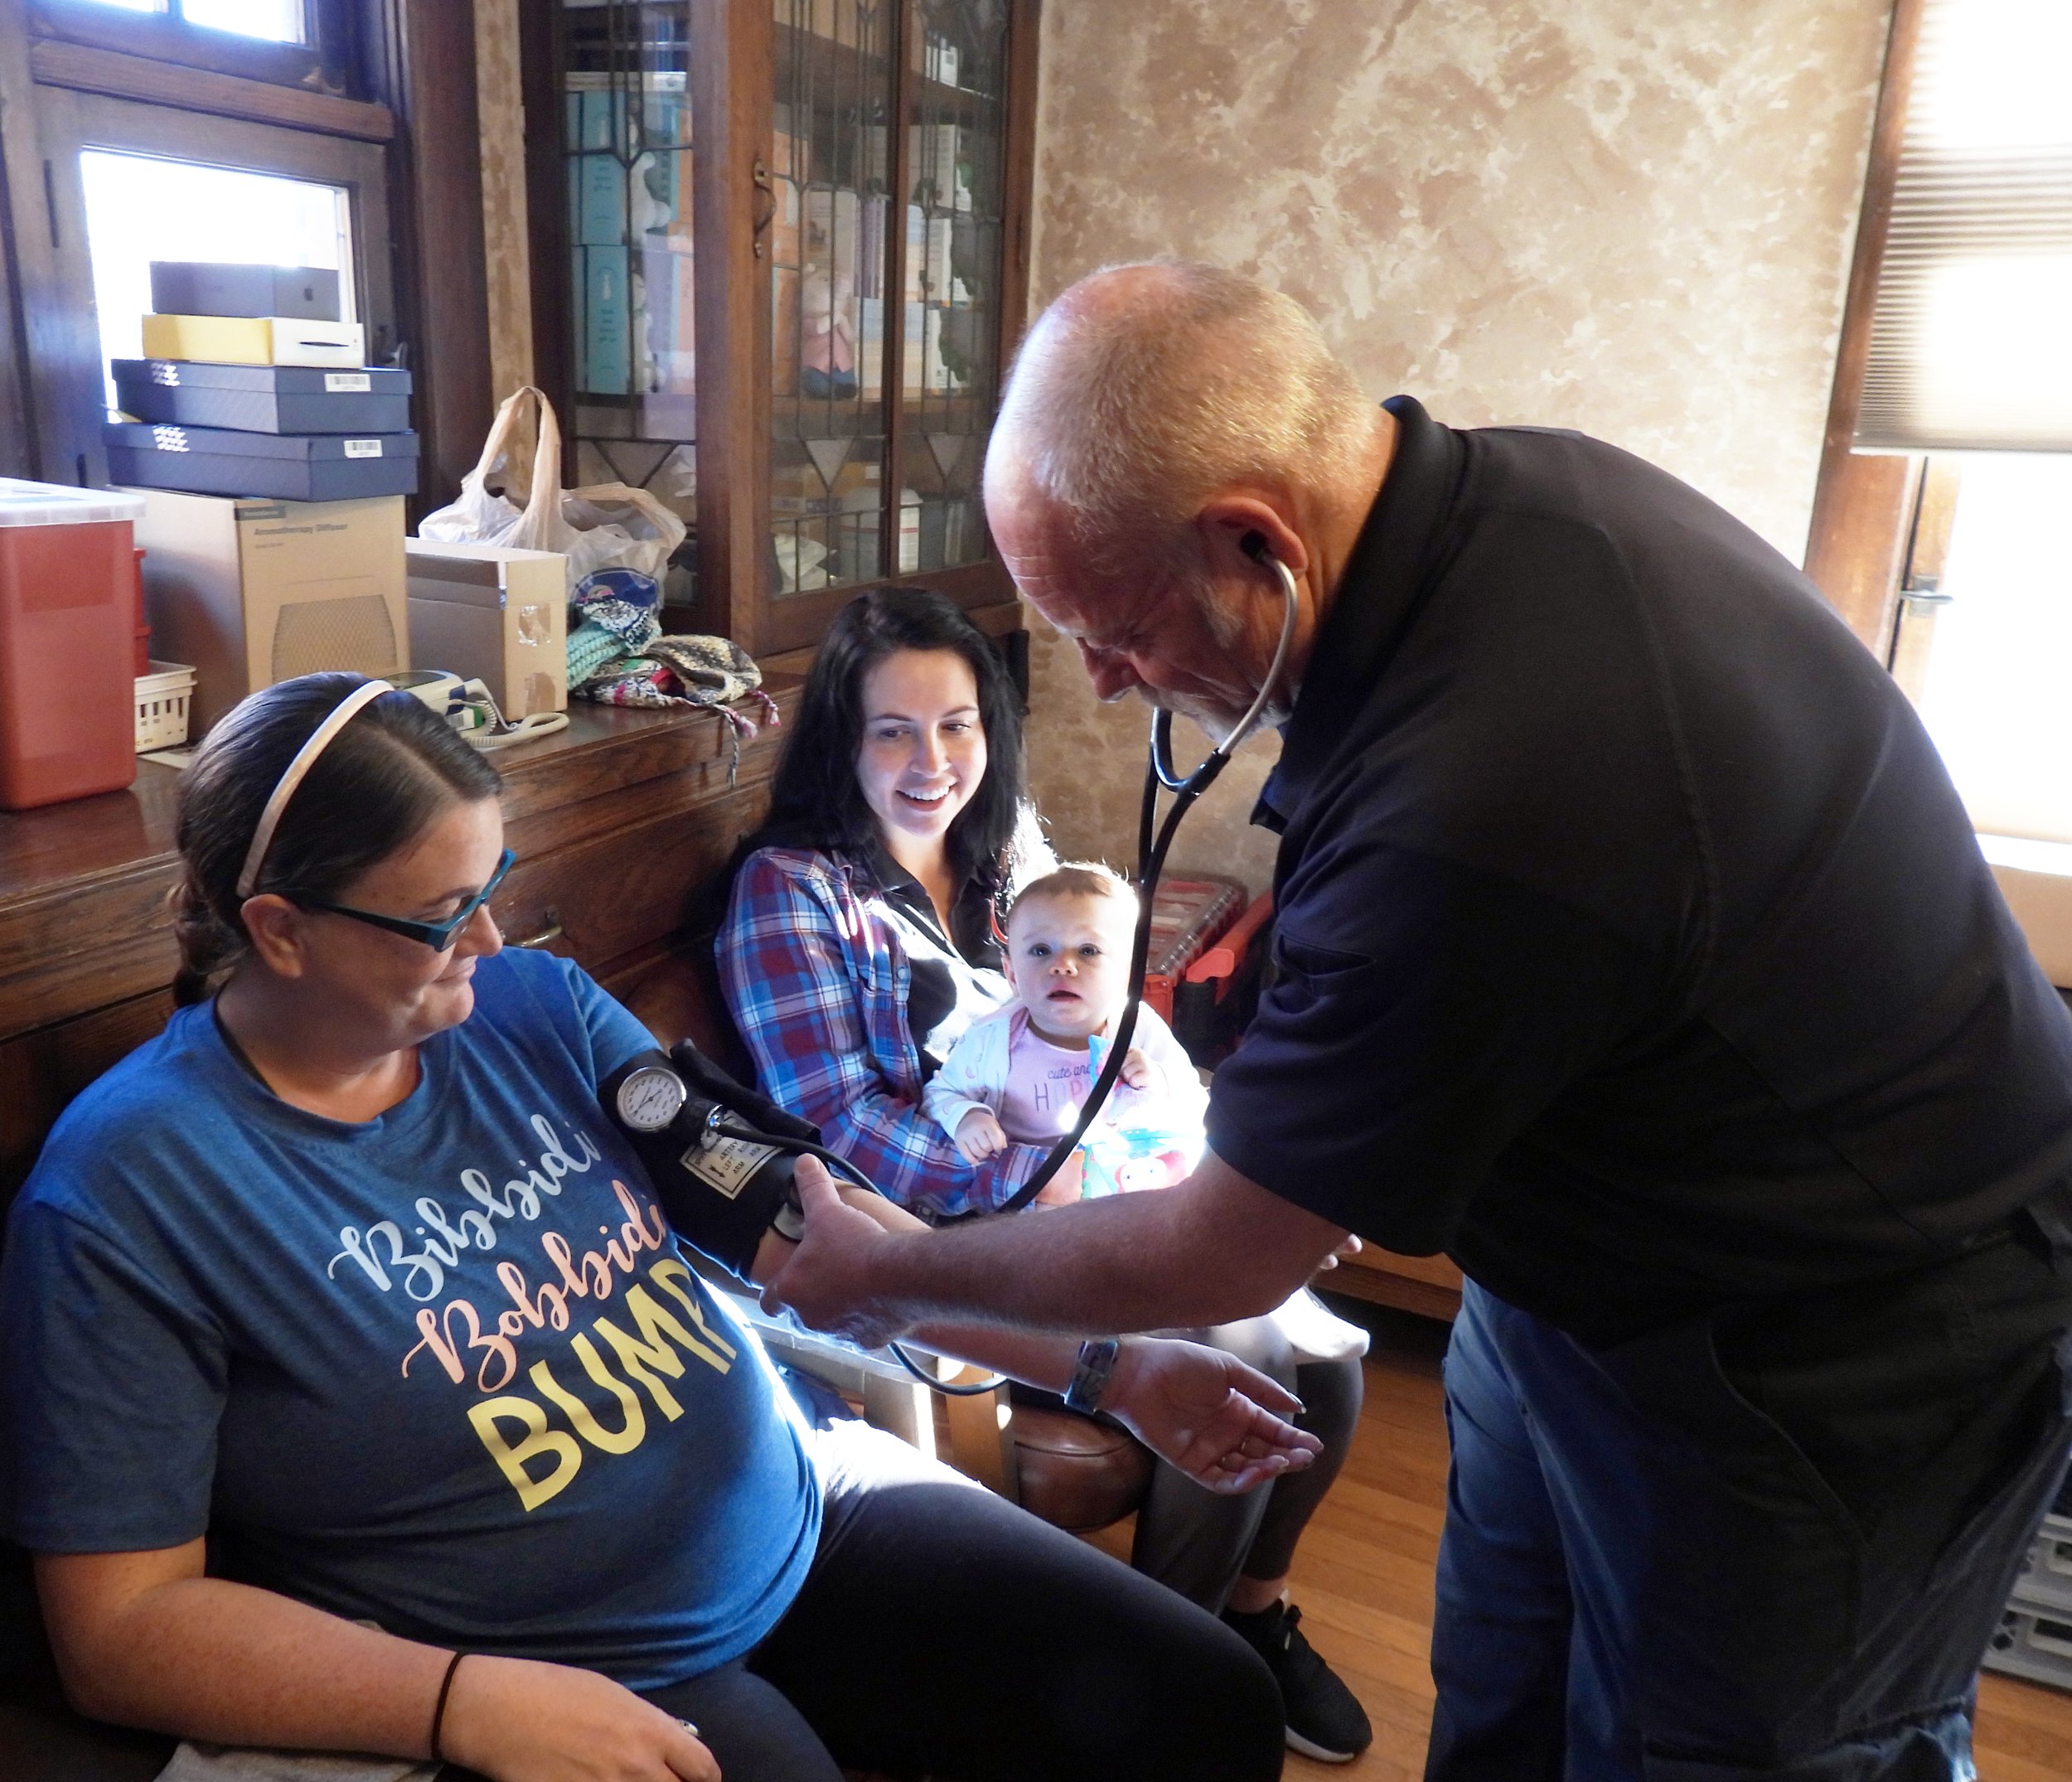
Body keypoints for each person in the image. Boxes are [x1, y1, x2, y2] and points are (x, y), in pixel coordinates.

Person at [762, 261, 2072, 1782]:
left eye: (1111, 630)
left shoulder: (1491, 789)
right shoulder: (1514, 503)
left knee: (1741, 1755)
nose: (1109, 686)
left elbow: (1231, 1245)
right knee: (1511, 1694)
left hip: (1829, 1342)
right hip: (1580, 1283)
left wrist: (903, 1275)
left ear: (1255, 542)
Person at [0, 671, 1322, 1782]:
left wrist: (1115, 1369)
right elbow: (120, 1627)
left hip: (810, 1503)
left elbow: (822, 1241)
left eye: (494, 880)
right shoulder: (133, 1188)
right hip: (577, 1652)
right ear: (276, 929)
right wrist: (468, 1702)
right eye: (443, 913)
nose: (494, 935)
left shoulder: (537, 1010)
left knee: (1204, 1701)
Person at [719, 588, 1374, 1761]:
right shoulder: (792, 892)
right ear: (840, 737)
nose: (934, 761)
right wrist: (1055, 1187)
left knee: (1326, 1354)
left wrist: (1234, 1182)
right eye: (894, 729)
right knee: (1255, 1350)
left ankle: (1250, 1619)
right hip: (948, 1221)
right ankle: (1174, 1672)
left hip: (1104, 1176)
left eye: (958, 723)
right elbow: (835, 1116)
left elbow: (1117, 1025)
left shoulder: (1006, 848)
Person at [922, 863, 1208, 1196]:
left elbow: (1196, 1102)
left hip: (1124, 1184)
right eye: (1041, 950)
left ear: (1125, 974)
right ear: (1012, 974)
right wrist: (966, 1116)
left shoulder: (1137, 1028)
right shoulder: (991, 1039)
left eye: (1088, 951)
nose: (1063, 965)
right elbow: (939, 1094)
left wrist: (1159, 1080)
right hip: (1033, 1190)